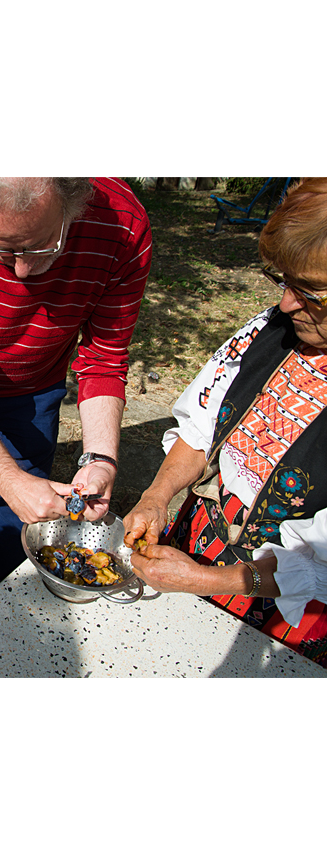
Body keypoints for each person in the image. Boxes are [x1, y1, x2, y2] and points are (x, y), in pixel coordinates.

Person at [0, 177, 151, 586]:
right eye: (1, 247)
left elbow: (104, 359)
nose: (21, 271)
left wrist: (100, 459)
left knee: (18, 513)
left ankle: (0, 595)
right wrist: (4, 475)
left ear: (74, 204)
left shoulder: (122, 226)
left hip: (35, 391)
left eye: (39, 246)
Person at [124, 178, 327, 666]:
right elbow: (201, 429)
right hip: (193, 550)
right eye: (284, 282)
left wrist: (206, 581)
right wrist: (156, 496)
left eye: (313, 293)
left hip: (284, 608)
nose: (286, 305)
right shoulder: (267, 330)